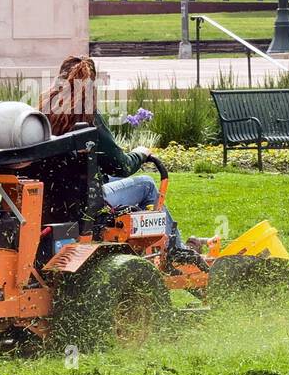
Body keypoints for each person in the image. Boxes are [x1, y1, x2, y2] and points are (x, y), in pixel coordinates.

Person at [37, 56, 201, 265]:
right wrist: (140, 153)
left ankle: (165, 246)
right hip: (85, 203)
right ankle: (175, 252)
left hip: (53, 199)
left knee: (113, 178)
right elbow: (121, 165)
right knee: (147, 185)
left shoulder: (43, 114)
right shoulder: (88, 118)